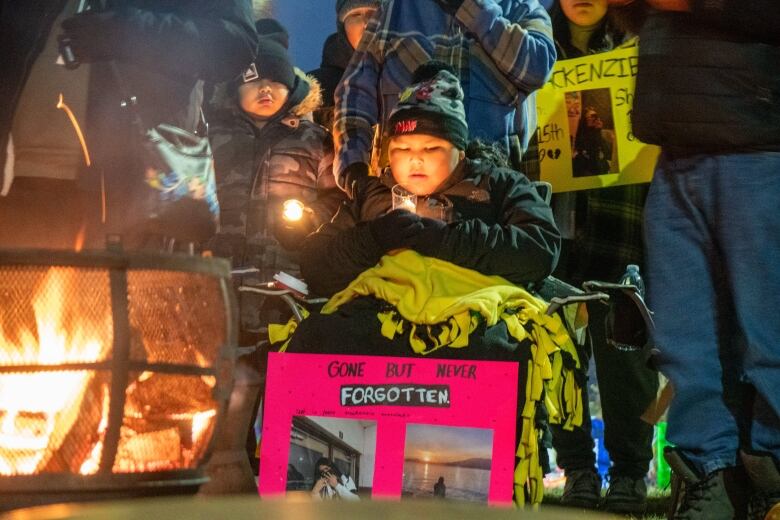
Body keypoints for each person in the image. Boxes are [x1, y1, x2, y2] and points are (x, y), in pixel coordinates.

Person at [605, 0, 780, 518]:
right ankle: (710, 476)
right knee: (684, 341)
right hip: (676, 151)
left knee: (767, 334)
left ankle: (771, 473)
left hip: (756, 148)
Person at [0, 1, 258, 251]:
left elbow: (232, 44)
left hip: (132, 186)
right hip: (24, 182)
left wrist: (120, 32)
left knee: (122, 294)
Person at [299, 63, 560, 299]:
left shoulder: (499, 185)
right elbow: (316, 266)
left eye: (431, 148)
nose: (415, 160)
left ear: (460, 151)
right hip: (381, 329)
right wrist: (372, 238)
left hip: (475, 327)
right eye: (402, 149)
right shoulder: (371, 195)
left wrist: (444, 240)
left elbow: (539, 250)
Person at [543, 1, 658, 514]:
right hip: (553, 228)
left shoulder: (640, 45)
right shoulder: (535, 46)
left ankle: (630, 475)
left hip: (623, 225)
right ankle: (578, 472)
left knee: (627, 360)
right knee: (561, 358)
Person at [332, 0, 556, 197]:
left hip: (490, 198)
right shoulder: (392, 10)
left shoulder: (522, 7)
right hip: (403, 197)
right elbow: (354, 95)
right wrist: (354, 169)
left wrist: (474, 8)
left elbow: (537, 69)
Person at [208, 21, 344, 337]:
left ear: (292, 88)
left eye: (276, 81)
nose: (265, 90)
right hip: (215, 280)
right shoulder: (212, 140)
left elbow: (337, 198)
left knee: (275, 361)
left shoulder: (314, 141)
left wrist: (311, 218)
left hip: (285, 282)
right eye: (254, 81)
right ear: (236, 87)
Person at [309, 0, 381, 130]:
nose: (366, 23)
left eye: (374, 13)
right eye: (355, 15)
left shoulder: (416, 81)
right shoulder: (312, 90)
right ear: (343, 28)